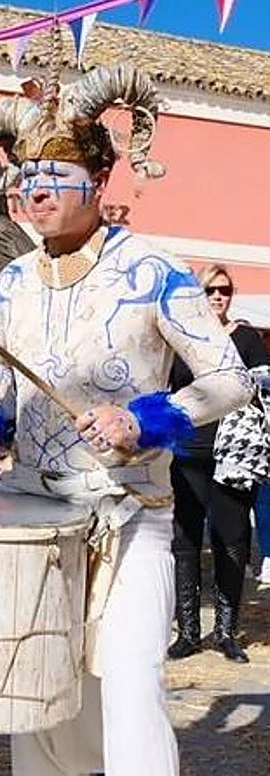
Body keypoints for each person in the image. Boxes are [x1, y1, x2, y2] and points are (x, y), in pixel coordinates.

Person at [0, 63, 254, 776]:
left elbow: (230, 380)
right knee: (37, 683)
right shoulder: (16, 279)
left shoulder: (154, 270)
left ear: (100, 181)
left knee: (128, 683)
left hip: (131, 515)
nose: (36, 191)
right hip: (32, 514)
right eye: (27, 175)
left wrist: (146, 421)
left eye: (55, 176)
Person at [167, 264, 270, 663]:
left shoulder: (245, 338)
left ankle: (226, 632)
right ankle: (188, 632)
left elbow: (262, 389)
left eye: (224, 290)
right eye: (210, 289)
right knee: (185, 542)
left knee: (232, 541)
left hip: (233, 455)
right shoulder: (180, 338)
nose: (217, 297)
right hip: (186, 452)